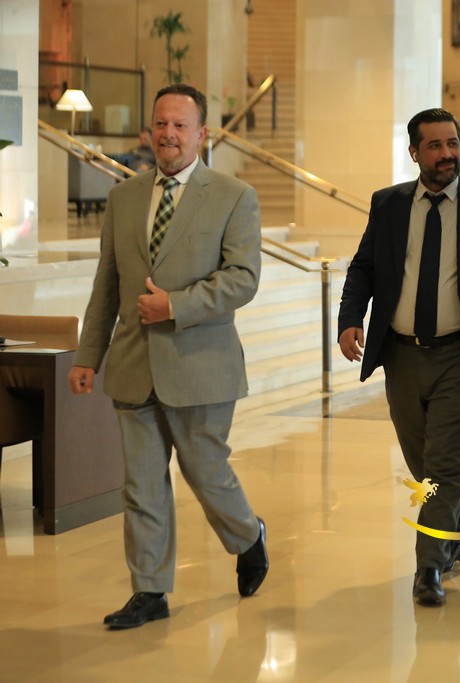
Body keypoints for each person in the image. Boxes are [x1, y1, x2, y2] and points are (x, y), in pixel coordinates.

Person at [68, 84, 269, 630]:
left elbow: (243, 278)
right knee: (141, 484)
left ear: (201, 133)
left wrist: (175, 306)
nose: (169, 134)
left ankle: (249, 535)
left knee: (206, 472)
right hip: (133, 365)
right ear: (149, 130)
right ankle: (149, 590)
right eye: (161, 123)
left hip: (201, 365)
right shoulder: (124, 198)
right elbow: (107, 284)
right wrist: (88, 356)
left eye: (180, 125)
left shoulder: (233, 196)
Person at [337, 108, 460, 606]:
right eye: (435, 145)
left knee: (442, 463)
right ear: (414, 152)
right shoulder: (389, 204)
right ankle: (455, 524)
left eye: (453, 143)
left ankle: (429, 566)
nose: (447, 154)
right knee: (423, 462)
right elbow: (364, 266)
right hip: (403, 355)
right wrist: (351, 317)